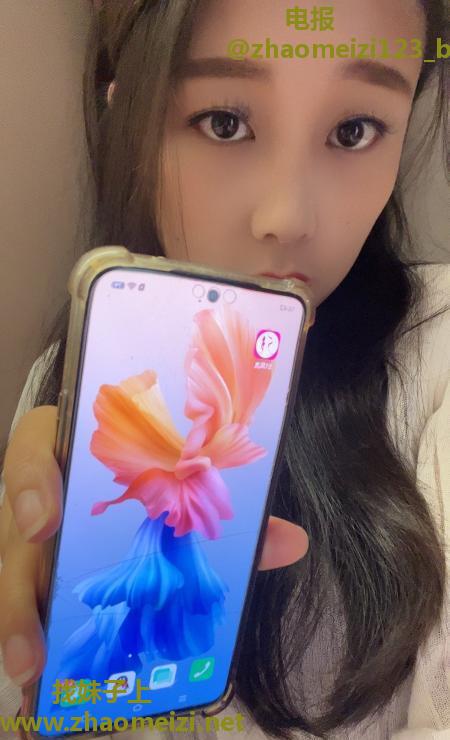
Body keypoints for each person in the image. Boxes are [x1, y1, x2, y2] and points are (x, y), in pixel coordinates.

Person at [0, 0, 448, 738]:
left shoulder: (438, 357)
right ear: (128, 114)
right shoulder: (70, 383)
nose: (285, 217)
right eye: (224, 122)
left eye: (354, 131)